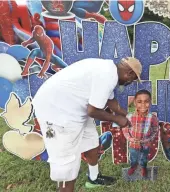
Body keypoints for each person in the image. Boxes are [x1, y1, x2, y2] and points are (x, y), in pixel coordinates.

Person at [32, 57, 142, 191]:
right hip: (57, 112)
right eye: (132, 80)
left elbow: (111, 102)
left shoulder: (109, 70)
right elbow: (93, 111)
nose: (128, 83)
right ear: (129, 73)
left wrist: (128, 116)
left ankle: (93, 178)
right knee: (67, 160)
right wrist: (117, 120)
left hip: (73, 107)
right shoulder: (107, 76)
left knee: (91, 141)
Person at [122, 90, 159, 178]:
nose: (143, 105)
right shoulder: (129, 117)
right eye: (139, 102)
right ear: (135, 103)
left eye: (146, 101)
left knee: (144, 157)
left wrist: (147, 139)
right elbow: (125, 129)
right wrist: (130, 139)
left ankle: (143, 167)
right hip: (133, 144)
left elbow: (155, 130)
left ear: (150, 103)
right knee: (133, 157)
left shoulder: (153, 118)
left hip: (146, 144)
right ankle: (133, 166)